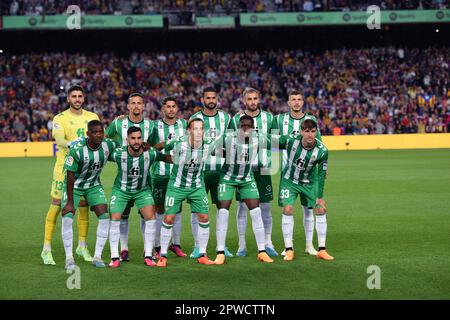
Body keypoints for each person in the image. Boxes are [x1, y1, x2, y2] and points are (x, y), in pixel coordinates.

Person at [41, 85, 99, 266]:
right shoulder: (60, 118)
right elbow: (58, 139)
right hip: (64, 169)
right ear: (68, 99)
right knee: (57, 205)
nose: (77, 99)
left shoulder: (92, 117)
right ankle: (46, 249)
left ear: (84, 98)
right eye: (73, 96)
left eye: (80, 96)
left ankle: (82, 245)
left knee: (83, 204)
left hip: (85, 170)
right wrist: (73, 144)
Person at [108, 126, 171, 268]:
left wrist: (186, 155)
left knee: (151, 216)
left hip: (142, 191)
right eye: (133, 138)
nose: (136, 141)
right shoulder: (118, 154)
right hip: (121, 190)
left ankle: (148, 255)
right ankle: (114, 257)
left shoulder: (151, 153)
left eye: (138, 138)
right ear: (127, 140)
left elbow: (167, 158)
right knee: (115, 217)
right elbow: (102, 156)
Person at [214, 115, 274, 264]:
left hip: (247, 178)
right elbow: (211, 148)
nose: (246, 128)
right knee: (223, 211)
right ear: (238, 127)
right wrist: (222, 153)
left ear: (253, 128)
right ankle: (220, 251)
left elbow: (280, 143)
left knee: (256, 211)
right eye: (243, 126)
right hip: (228, 178)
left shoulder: (259, 139)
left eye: (249, 126)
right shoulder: (228, 138)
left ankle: (262, 251)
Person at [156, 119, 215, 267]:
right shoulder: (179, 143)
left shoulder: (208, 145)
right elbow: (162, 146)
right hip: (176, 186)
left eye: (201, 129)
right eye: (195, 129)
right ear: (189, 130)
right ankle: (162, 255)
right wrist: (148, 150)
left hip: (197, 186)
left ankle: (202, 254)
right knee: (169, 218)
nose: (198, 132)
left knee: (204, 216)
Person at [105, 92, 155, 262]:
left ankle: (146, 250)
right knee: (123, 213)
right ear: (128, 106)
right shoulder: (119, 123)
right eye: (132, 103)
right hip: (125, 174)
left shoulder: (150, 125)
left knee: (146, 214)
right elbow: (106, 137)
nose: (136, 106)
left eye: (139, 103)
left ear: (143, 106)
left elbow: (153, 145)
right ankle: (124, 248)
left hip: (146, 176)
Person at [272, 90, 323, 256]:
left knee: (309, 209)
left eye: (299, 99)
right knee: (287, 209)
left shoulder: (311, 120)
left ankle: (309, 246)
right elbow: (273, 141)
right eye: (293, 99)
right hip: (288, 173)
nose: (296, 102)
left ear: (303, 102)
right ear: (288, 102)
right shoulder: (279, 120)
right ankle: (288, 247)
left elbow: (319, 144)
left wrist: (323, 167)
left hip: (308, 174)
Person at [61, 120, 117, 270]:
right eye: (95, 132)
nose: (99, 135)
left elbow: (124, 149)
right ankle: (69, 258)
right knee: (67, 216)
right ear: (88, 134)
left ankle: (97, 257)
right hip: (74, 186)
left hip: (93, 185)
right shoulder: (77, 150)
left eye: (101, 132)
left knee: (105, 217)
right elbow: (70, 176)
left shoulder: (108, 145)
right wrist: (70, 202)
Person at [278, 116, 334, 261]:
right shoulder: (291, 140)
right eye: (307, 131)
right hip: (289, 181)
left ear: (316, 132)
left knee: (320, 209)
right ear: (302, 131)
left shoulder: (322, 151)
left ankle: (321, 249)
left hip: (309, 182)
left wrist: (320, 197)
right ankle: (289, 249)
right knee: (288, 209)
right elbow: (270, 141)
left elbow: (321, 175)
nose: (310, 135)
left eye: (313, 131)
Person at [230, 88, 277, 257]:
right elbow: (229, 142)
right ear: (244, 101)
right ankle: (242, 245)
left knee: (265, 207)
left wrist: (272, 165)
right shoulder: (236, 119)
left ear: (259, 99)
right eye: (249, 99)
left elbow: (276, 142)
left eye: (255, 98)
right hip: (242, 169)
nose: (252, 102)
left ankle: (268, 242)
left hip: (263, 169)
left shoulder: (269, 118)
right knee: (242, 207)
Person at [188, 87, 233, 259]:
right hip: (200, 170)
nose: (211, 100)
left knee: (223, 207)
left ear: (217, 99)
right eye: (208, 98)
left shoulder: (226, 118)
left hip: (221, 170)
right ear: (202, 99)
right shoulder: (194, 119)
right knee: (196, 210)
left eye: (214, 97)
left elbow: (232, 139)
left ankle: (222, 246)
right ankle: (197, 246)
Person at [149, 97, 188, 258]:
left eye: (174, 106)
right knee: (159, 210)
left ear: (177, 108)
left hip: (178, 173)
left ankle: (176, 244)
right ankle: (157, 246)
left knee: (177, 210)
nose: (171, 109)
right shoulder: (155, 126)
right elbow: (149, 146)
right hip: (160, 174)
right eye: (168, 107)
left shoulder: (184, 124)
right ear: (163, 109)